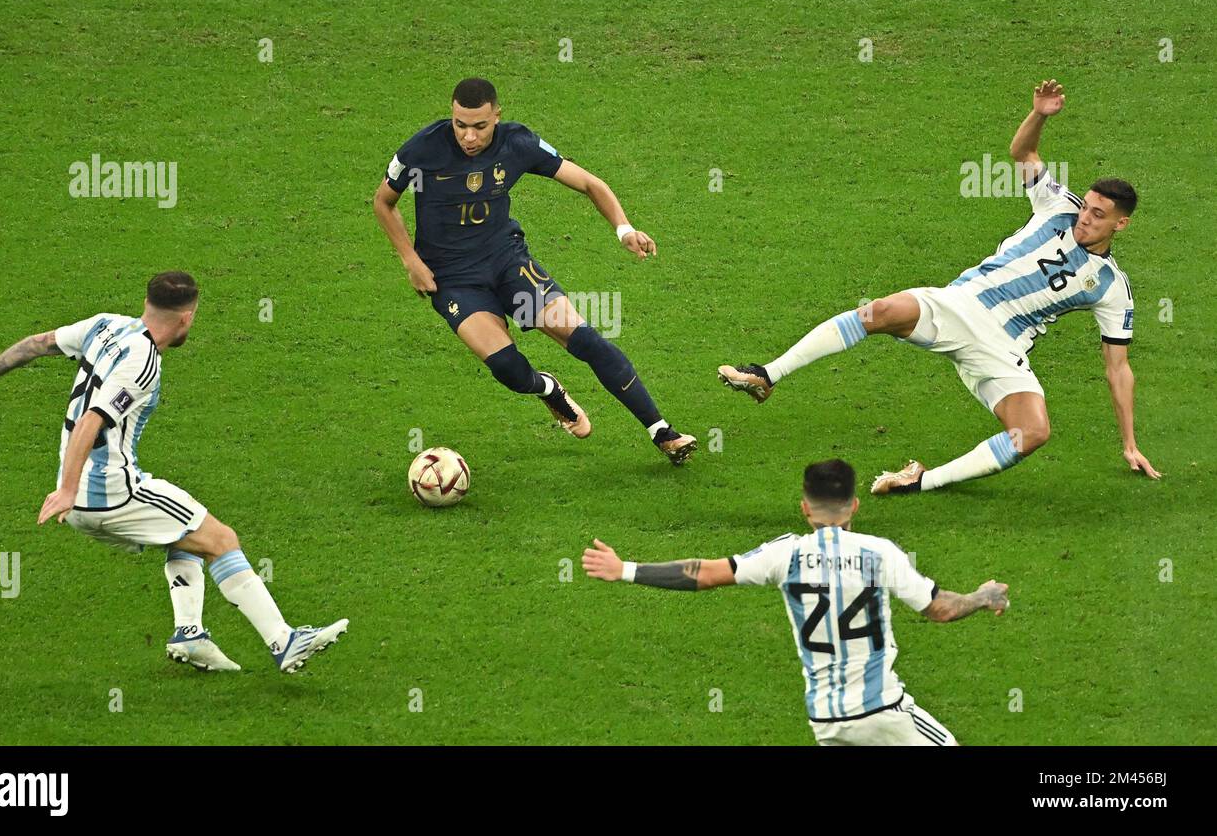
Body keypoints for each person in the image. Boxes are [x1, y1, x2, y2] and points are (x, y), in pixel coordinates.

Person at [719, 80, 1160, 493]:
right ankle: (766, 374)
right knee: (878, 312)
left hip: (1003, 346)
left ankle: (920, 481)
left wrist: (1129, 442)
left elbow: (1117, 368)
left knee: (1033, 432)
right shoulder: (1058, 204)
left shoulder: (1111, 288)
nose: (1086, 217)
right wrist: (1039, 115)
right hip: (960, 302)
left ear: (1121, 223)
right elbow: (1022, 152)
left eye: (1099, 215)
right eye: (1089, 207)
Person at [0, 271, 348, 673]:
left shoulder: (106, 325)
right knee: (222, 539)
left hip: (88, 492)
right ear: (187, 318)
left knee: (187, 531)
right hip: (109, 493)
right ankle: (285, 641)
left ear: (146, 304)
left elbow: (40, 343)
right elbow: (92, 420)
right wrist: (68, 490)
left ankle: (190, 634)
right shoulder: (142, 362)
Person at [372, 77, 696, 464]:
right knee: (508, 368)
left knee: (588, 341)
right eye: (460, 125)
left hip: (507, 263)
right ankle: (548, 390)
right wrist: (411, 260)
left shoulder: (517, 144)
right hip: (453, 279)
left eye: (479, 126)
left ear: (497, 116)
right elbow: (383, 202)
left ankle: (662, 431)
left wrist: (624, 229)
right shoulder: (423, 149)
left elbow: (589, 182)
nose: (469, 137)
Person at [582, 459, 1010, 745]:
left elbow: (705, 574)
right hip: (884, 713)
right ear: (855, 505)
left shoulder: (782, 554)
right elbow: (940, 608)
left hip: (826, 721)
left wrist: (626, 569)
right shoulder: (880, 553)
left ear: (805, 508)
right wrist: (981, 596)